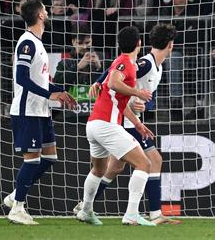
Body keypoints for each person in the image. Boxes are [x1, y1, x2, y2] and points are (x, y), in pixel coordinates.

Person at [73, 24, 180, 225]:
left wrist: (145, 104)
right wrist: (99, 81)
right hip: (120, 121)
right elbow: (117, 71)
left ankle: (86, 205)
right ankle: (152, 213)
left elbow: (148, 96)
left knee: (113, 168)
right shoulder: (144, 63)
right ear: (171, 45)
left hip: (125, 118)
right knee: (151, 161)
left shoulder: (157, 66)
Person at [2, 0, 77, 225]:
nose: (47, 11)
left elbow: (40, 80)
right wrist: (49, 95)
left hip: (41, 111)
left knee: (50, 157)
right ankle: (17, 208)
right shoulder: (27, 43)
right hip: (27, 110)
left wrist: (60, 91)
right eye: (45, 8)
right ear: (41, 15)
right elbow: (21, 78)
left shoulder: (38, 42)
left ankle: (16, 195)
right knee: (32, 160)